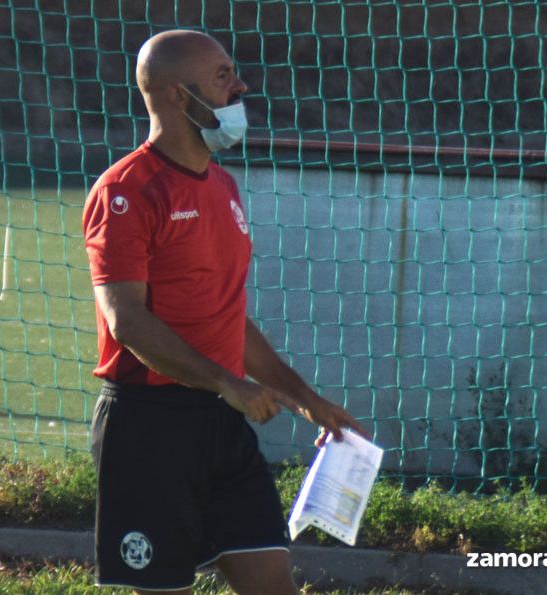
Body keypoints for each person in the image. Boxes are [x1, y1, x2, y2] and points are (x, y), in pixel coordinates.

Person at [83, 29, 368, 594]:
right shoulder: (126, 190)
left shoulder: (224, 186)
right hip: (148, 427)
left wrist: (309, 401)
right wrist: (226, 383)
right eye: (221, 76)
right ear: (177, 97)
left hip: (220, 422)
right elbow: (127, 321)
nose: (240, 84)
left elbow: (227, 319)